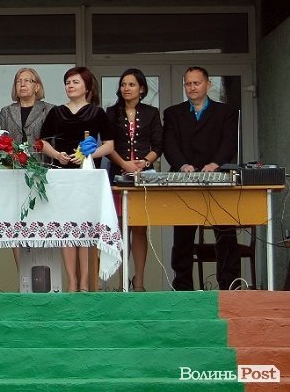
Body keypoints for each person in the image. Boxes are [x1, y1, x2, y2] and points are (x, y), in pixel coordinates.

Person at [163, 66, 239, 291]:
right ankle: (183, 287)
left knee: (225, 233)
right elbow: (169, 144)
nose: (192, 88)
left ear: (208, 84)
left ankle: (229, 285)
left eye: (196, 83)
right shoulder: (173, 113)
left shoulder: (225, 111)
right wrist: (182, 165)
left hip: (217, 180)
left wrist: (215, 164)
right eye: (188, 84)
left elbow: (229, 142)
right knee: (183, 236)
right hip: (185, 180)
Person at [39, 66, 114, 292]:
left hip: (87, 176)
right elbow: (42, 142)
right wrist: (56, 155)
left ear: (87, 87)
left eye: (75, 82)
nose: (70, 86)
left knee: (86, 228)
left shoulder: (97, 113)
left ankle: (85, 282)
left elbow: (109, 146)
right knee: (67, 228)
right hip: (63, 176)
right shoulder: (56, 112)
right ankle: (71, 281)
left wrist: (90, 154)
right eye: (67, 82)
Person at [105, 68, 163, 292]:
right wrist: (124, 164)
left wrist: (144, 163)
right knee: (120, 228)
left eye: (131, 84)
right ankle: (122, 281)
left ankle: (139, 281)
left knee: (139, 228)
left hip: (143, 177)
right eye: (123, 84)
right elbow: (108, 145)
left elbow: (158, 144)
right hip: (118, 176)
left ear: (142, 89)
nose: (126, 88)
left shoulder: (151, 112)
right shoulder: (111, 113)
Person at [0, 68, 55, 270]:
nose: (22, 84)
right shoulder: (6, 111)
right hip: (13, 174)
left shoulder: (49, 110)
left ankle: (43, 272)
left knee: (40, 223)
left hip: (41, 172)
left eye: (27, 80)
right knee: (17, 224)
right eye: (18, 81)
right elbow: (0, 141)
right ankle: (23, 274)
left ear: (37, 86)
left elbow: (53, 142)